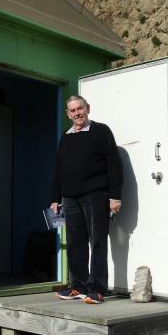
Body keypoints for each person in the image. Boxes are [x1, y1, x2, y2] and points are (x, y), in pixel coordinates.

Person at [50, 95, 123, 304]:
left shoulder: (101, 131)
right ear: (68, 114)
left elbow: (114, 165)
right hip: (70, 198)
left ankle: (97, 289)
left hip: (96, 195)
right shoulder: (66, 136)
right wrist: (55, 197)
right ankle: (78, 286)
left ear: (87, 108)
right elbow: (58, 169)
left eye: (79, 109)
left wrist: (115, 196)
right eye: (72, 111)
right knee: (75, 243)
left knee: (98, 241)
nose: (77, 114)